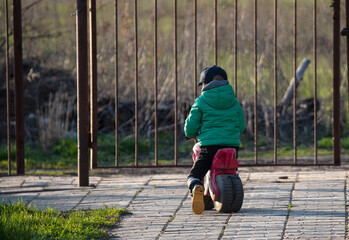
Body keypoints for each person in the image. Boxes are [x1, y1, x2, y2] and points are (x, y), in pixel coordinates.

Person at [184, 65, 245, 214]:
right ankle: (228, 182)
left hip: (209, 147)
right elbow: (241, 125)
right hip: (231, 146)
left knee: (194, 174)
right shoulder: (234, 101)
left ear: (204, 84)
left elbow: (191, 126)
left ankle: (196, 186)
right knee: (231, 168)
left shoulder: (201, 101)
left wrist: (190, 134)